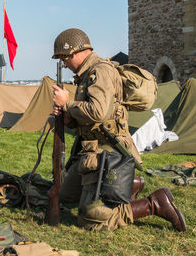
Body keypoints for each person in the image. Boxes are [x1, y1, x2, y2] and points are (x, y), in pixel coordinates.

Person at [51, 28, 186, 232]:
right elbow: (89, 120)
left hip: (109, 154)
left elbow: (98, 113)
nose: (64, 64)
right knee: (66, 196)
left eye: (64, 58)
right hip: (92, 152)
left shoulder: (99, 72)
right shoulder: (85, 74)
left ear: (75, 53)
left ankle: (154, 203)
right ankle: (129, 185)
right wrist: (68, 118)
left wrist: (68, 103)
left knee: (91, 220)